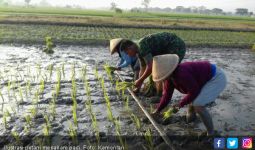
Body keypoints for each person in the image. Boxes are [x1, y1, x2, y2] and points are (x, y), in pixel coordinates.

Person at [151, 54, 227, 136]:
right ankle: (192, 117)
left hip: (215, 78)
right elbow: (167, 96)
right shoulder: (169, 79)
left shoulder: (182, 73)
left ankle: (211, 133)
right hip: (202, 80)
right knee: (193, 101)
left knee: (198, 105)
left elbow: (194, 91)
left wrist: (180, 104)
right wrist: (158, 110)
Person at [120, 32, 186, 95]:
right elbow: (143, 68)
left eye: (127, 53)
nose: (128, 55)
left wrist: (140, 80)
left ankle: (162, 94)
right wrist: (138, 86)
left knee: (164, 72)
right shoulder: (138, 50)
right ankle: (159, 92)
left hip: (176, 45)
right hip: (166, 49)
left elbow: (150, 67)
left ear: (130, 48)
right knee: (158, 71)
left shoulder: (141, 47)